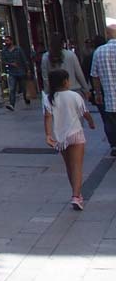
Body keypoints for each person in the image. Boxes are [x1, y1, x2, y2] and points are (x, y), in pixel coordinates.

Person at [43, 68, 95, 210]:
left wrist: (48, 135)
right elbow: (85, 112)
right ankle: (76, 196)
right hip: (76, 134)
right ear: (66, 81)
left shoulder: (49, 98)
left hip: (61, 138)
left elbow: (47, 117)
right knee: (77, 166)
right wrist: (91, 122)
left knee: (69, 166)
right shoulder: (74, 95)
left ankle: (76, 193)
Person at [89, 24, 116, 157]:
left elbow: (94, 75)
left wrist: (97, 93)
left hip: (109, 97)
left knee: (110, 122)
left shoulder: (99, 52)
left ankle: (114, 145)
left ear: (107, 34)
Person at [40, 35, 90, 103]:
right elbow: (79, 74)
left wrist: (48, 94)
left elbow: (45, 78)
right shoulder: (71, 55)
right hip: (74, 90)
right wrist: (86, 89)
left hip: (56, 93)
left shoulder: (45, 57)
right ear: (63, 43)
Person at [0, 35, 31, 110]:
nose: (6, 42)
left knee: (23, 88)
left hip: (21, 71)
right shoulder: (4, 51)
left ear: (11, 41)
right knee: (12, 88)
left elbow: (24, 59)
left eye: (7, 40)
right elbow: (3, 61)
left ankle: (26, 98)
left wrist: (28, 70)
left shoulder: (18, 49)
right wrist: (10, 64)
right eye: (5, 41)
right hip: (12, 72)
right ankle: (12, 104)